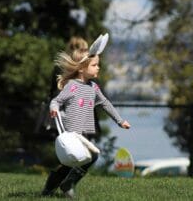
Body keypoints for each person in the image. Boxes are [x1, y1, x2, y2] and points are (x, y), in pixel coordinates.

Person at [41, 34, 131, 198]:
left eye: (98, 65)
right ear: (82, 68)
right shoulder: (72, 86)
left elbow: (106, 104)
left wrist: (120, 121)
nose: (98, 68)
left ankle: (53, 184)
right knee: (92, 155)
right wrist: (54, 108)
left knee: (73, 163)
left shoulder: (94, 88)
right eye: (95, 65)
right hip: (70, 133)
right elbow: (56, 100)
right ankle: (67, 184)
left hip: (82, 133)